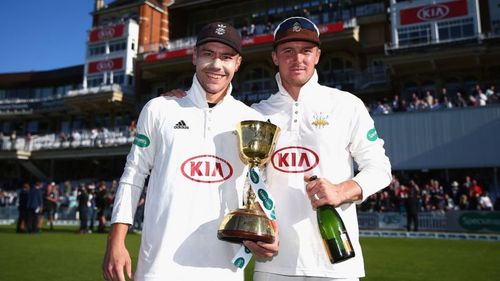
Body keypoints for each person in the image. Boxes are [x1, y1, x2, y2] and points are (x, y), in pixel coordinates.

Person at [163, 16, 391, 281]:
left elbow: (380, 168)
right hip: (272, 264)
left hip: (335, 264)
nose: (298, 59)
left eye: (306, 51)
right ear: (274, 57)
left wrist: (343, 190)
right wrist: (184, 101)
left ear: (317, 55)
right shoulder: (255, 114)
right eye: (288, 51)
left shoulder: (347, 105)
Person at [102, 22, 278, 281]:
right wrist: (115, 241)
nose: (216, 65)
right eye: (208, 54)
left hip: (224, 271)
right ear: (194, 56)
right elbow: (133, 174)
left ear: (238, 63)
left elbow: (261, 188)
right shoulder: (159, 109)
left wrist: (269, 232)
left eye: (226, 57)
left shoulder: (251, 120)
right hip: (159, 268)